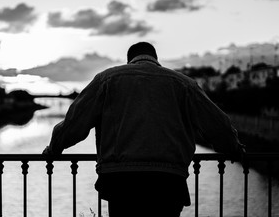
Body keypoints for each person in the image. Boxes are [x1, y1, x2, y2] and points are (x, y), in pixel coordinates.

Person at [43, 42, 244, 216]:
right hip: (168, 182)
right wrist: (234, 149)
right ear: (156, 59)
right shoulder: (183, 84)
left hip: (121, 181)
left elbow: (74, 123)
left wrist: (54, 149)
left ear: (129, 59)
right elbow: (217, 125)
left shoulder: (107, 79)